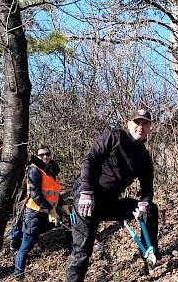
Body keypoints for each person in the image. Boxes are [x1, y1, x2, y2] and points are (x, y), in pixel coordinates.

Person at [65, 108, 158, 282]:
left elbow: (147, 188)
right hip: (87, 200)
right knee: (82, 253)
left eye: (145, 123)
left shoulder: (144, 157)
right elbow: (89, 160)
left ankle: (151, 259)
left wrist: (144, 203)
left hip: (109, 203)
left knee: (150, 210)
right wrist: (85, 191)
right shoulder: (115, 136)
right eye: (137, 122)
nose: (141, 127)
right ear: (129, 124)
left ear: (150, 127)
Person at [14, 147, 69, 280]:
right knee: (26, 246)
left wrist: (63, 205)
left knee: (67, 223)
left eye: (47, 154)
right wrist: (50, 210)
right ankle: (19, 276)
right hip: (34, 213)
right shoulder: (34, 170)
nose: (45, 157)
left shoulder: (51, 170)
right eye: (41, 155)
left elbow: (54, 192)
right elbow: (35, 194)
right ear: (36, 155)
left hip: (48, 211)